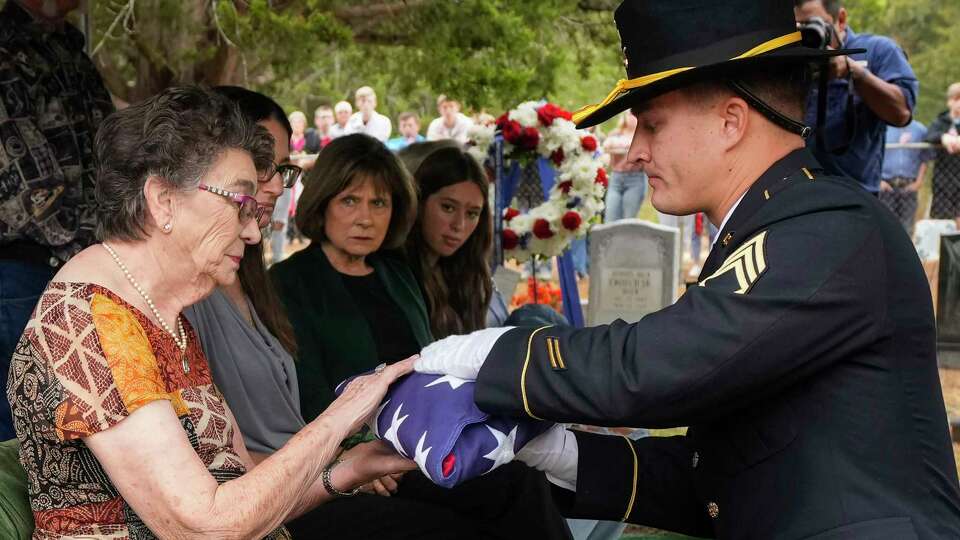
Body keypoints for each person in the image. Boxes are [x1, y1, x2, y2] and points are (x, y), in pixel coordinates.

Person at [415, 2, 960, 538]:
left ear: (730, 121)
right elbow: (724, 483)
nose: (633, 153)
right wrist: (552, 449)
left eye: (651, 125)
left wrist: (474, 354)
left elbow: (653, 365)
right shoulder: (772, 228)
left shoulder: (830, 227)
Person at [7, 85, 415, 539]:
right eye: (240, 203)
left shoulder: (163, 315)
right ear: (163, 200)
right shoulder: (89, 319)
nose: (254, 233)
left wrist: (348, 468)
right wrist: (342, 414)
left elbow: (241, 488)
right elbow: (204, 528)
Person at [270, 134, 572, 539]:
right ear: (321, 202)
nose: (365, 218)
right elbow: (305, 388)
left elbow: (428, 362)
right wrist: (348, 455)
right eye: (349, 201)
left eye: (379, 203)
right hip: (356, 453)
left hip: (424, 439)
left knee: (522, 479)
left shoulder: (396, 273)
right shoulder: (291, 281)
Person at [0, 0, 115, 440]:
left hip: (76, 258)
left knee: (69, 419)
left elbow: (106, 143)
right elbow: (23, 179)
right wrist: (88, 247)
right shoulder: (9, 47)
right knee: (30, 424)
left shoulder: (68, 46)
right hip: (27, 266)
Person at [184, 86, 303, 461]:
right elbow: (208, 463)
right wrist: (333, 469)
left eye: (282, 168)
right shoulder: (184, 285)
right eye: (262, 163)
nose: (278, 186)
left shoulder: (248, 270)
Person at [795, 0, 918, 194]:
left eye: (813, 25)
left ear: (841, 20)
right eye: (798, 28)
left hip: (855, 196)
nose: (805, 35)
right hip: (795, 193)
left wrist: (853, 72)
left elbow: (902, 113)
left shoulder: (877, 51)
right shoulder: (788, 59)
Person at [405, 146, 492, 339]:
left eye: (472, 214)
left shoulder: (465, 272)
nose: (459, 225)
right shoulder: (397, 275)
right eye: (448, 207)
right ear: (419, 202)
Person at [880, 119, 928, 233]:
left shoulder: (920, 130)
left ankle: (905, 250)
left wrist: (918, 182)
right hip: (886, 186)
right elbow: (874, 154)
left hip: (909, 186)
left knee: (907, 228)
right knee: (885, 227)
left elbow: (925, 158)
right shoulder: (883, 128)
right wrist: (879, 180)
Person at [925, 82, 960, 228]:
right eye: (956, 99)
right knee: (942, 223)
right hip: (943, 181)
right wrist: (943, 138)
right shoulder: (941, 121)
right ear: (949, 101)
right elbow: (930, 135)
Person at [602, 111, 647, 222]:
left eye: (635, 114)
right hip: (616, 179)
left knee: (627, 221)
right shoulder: (615, 134)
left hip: (636, 179)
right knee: (610, 219)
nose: (632, 117)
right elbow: (606, 149)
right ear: (625, 116)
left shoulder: (643, 135)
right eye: (630, 114)